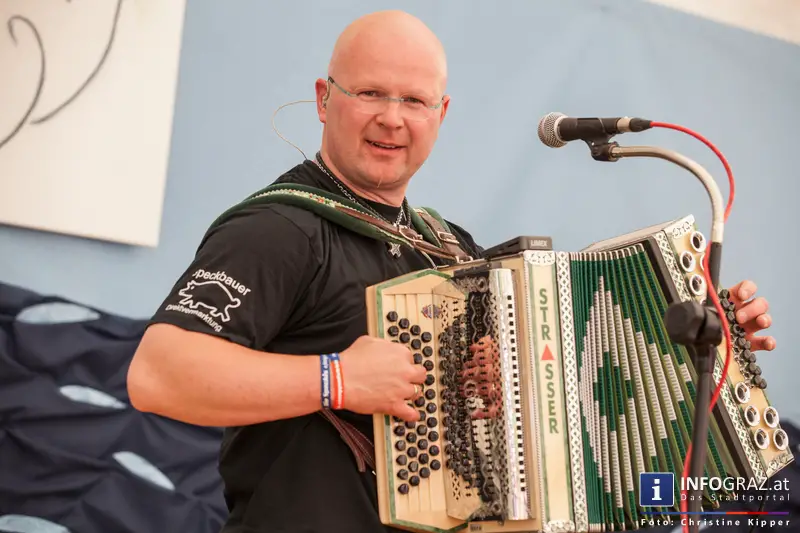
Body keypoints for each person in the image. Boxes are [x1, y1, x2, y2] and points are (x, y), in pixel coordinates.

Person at [126, 9, 776, 533]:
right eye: (370, 93)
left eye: (414, 99)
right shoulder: (280, 229)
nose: (392, 116)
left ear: (442, 115)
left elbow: (567, 387)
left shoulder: (447, 245)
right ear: (324, 100)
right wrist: (339, 378)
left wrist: (704, 333)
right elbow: (158, 374)